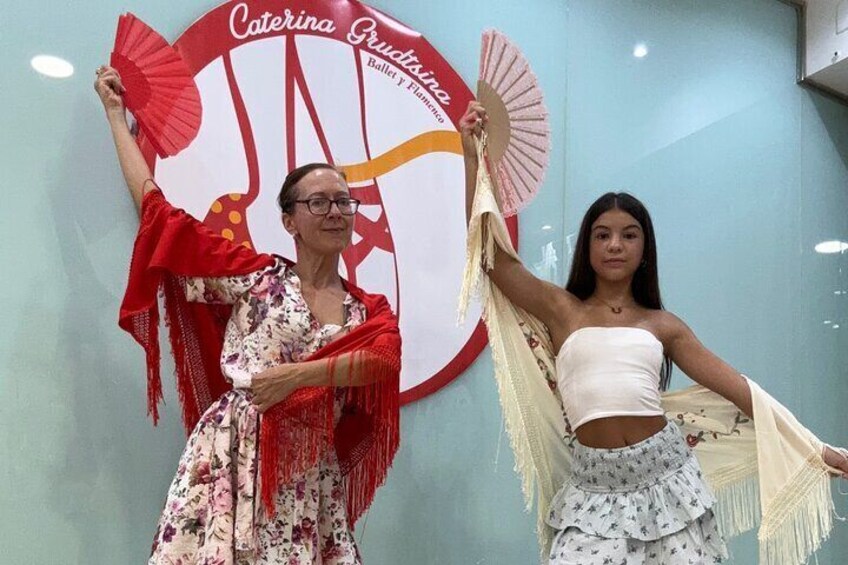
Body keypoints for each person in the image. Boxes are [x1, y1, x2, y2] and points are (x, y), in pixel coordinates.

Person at [458, 101, 848, 564]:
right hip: (591, 489)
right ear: (587, 245)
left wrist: (813, 447)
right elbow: (496, 260)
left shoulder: (663, 325)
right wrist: (472, 156)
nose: (615, 245)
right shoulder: (562, 310)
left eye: (628, 234)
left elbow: (741, 390)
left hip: (668, 481)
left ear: (645, 249)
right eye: (602, 235)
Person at [95, 65, 401, 565]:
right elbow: (159, 217)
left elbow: (381, 360)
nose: (335, 212)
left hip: (309, 471)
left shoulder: (367, 310)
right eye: (318, 202)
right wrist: (115, 116)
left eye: (345, 202)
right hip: (235, 456)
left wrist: (294, 378)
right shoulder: (255, 277)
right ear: (289, 221)